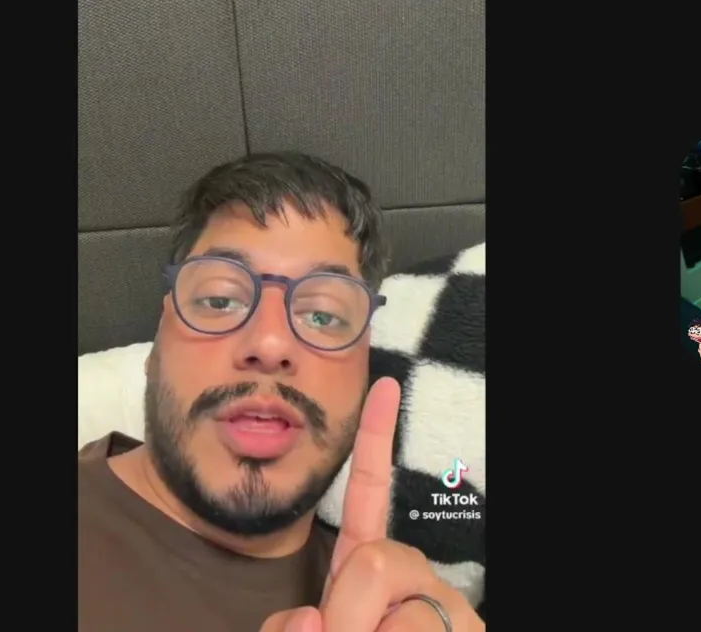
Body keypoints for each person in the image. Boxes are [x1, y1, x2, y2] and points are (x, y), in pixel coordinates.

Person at [78, 152, 484, 632]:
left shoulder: (389, 606)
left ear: (364, 364)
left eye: (322, 315)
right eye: (220, 299)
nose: (271, 345)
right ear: (157, 342)